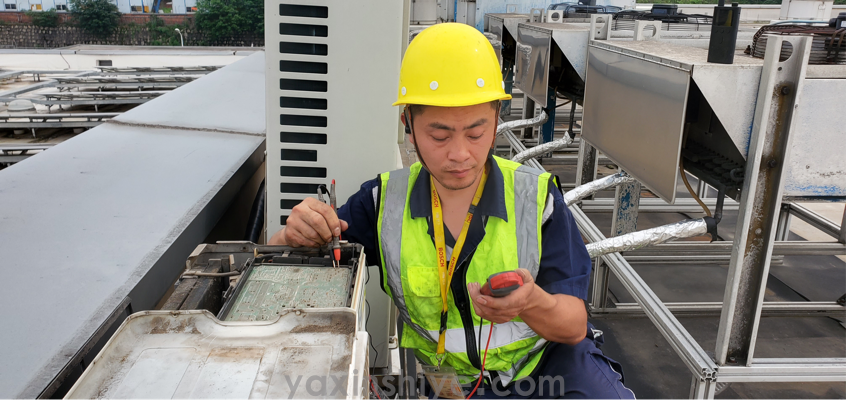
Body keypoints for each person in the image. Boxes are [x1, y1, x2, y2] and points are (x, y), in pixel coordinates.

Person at [268, 23, 635, 400]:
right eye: (440, 136)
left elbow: (573, 325)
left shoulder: (535, 199)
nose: (460, 154)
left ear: (496, 120)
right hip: (452, 385)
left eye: (476, 133)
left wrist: (531, 302)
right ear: (407, 124)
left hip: (547, 367)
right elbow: (290, 267)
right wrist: (291, 235)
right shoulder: (382, 205)